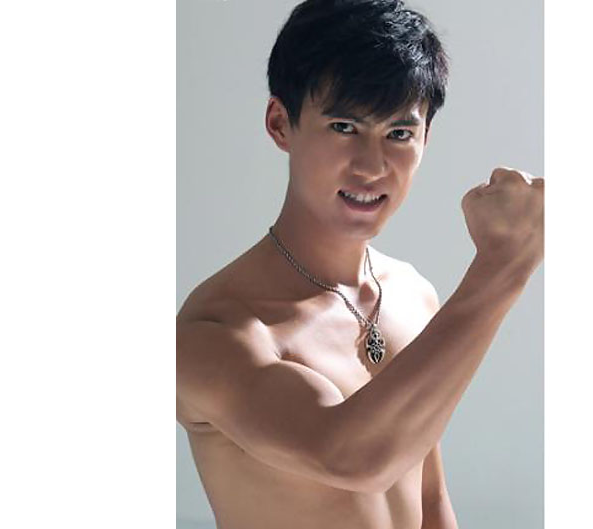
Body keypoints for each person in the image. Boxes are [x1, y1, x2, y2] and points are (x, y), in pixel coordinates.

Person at [176, 0, 544, 528]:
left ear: (426, 138)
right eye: (345, 126)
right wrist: (504, 265)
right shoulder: (214, 332)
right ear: (281, 124)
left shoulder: (412, 294)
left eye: (399, 133)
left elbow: (430, 500)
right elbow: (350, 457)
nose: (372, 167)